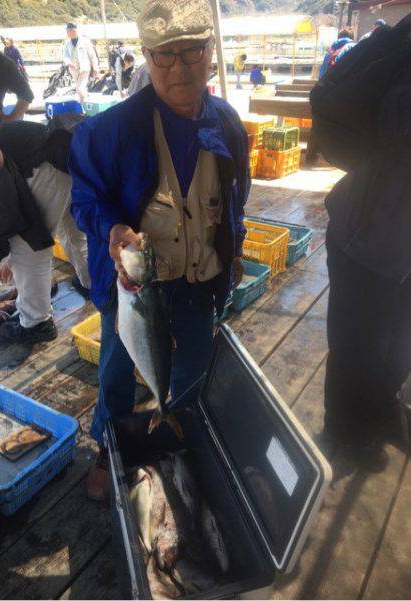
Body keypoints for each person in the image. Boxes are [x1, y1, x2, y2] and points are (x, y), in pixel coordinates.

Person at [69, 0, 249, 501]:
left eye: (192, 53)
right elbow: (85, 198)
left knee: (192, 363)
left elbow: (235, 197)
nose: (180, 68)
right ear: (146, 57)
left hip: (198, 278)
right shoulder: (110, 130)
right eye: (165, 57)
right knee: (116, 369)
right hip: (135, 282)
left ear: (210, 53)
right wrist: (112, 227)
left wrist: (233, 252)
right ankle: (110, 447)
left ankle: (178, 434)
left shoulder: (228, 123)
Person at [312, 16, 411, 470]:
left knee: (397, 341)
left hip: (400, 249)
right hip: (364, 236)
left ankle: (381, 409)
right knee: (353, 344)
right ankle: (341, 430)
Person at [0, 120, 90, 343]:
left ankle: (36, 323)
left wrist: (2, 197)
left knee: (28, 247)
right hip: (67, 162)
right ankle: (92, 283)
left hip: (44, 166)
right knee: (72, 231)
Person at [63, 23, 99, 105]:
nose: (67, 33)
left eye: (69, 31)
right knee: (81, 90)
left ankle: (89, 102)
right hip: (74, 70)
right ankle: (84, 110)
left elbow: (92, 56)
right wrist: (69, 63)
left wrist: (95, 69)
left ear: (74, 30)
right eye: (67, 31)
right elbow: (65, 56)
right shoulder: (67, 43)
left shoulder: (85, 41)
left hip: (84, 69)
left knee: (79, 89)